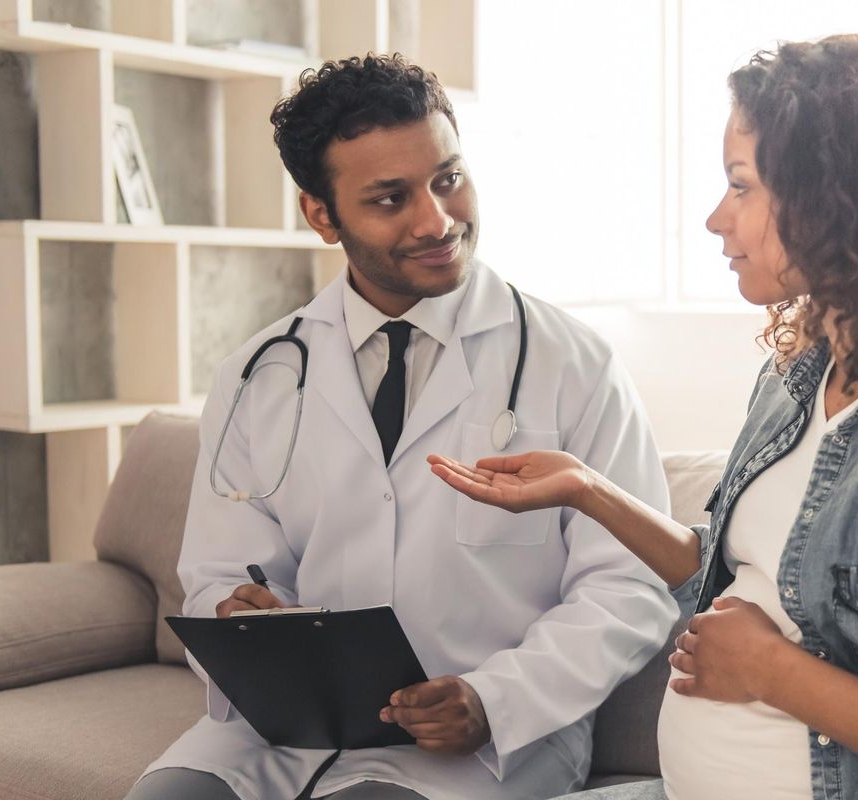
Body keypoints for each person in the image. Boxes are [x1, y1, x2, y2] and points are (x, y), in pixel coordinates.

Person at [430, 34, 858, 800]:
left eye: (741, 187)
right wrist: (587, 489)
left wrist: (774, 674)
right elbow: (743, 581)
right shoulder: (795, 377)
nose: (717, 218)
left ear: (842, 201)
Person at [127, 54, 677, 800]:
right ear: (322, 214)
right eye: (391, 199)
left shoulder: (572, 364)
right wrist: (242, 616)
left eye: (447, 178)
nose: (436, 220)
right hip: (278, 735)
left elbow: (630, 586)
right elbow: (221, 574)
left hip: (489, 741)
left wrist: (495, 699)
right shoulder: (258, 374)